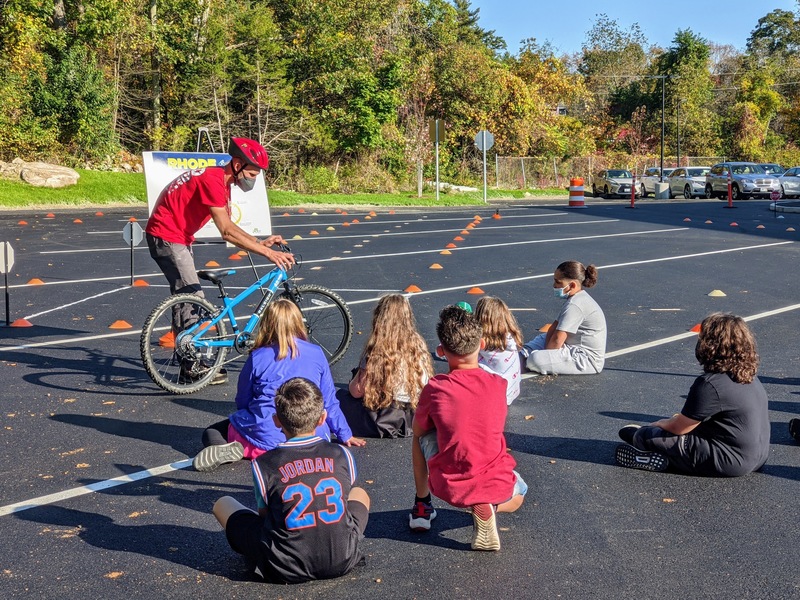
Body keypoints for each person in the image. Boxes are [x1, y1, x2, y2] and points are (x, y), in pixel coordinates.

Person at [145, 137, 294, 384]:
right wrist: (268, 253)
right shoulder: (214, 181)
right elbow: (225, 231)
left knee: (186, 297)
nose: (253, 179)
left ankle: (188, 361)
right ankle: (192, 366)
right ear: (236, 164)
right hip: (167, 235)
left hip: (177, 236)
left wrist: (259, 242)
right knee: (192, 297)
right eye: (252, 173)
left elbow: (231, 226)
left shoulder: (220, 181)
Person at [212, 377, 370, 583]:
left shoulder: (264, 463)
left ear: (276, 420)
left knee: (223, 503)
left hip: (284, 566)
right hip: (342, 558)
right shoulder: (341, 453)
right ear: (322, 418)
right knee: (360, 493)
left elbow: (265, 514)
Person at [193, 299, 365, 472]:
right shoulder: (316, 353)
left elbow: (243, 398)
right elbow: (328, 400)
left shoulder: (257, 356)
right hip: (312, 434)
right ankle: (298, 450)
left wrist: (248, 416)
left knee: (213, 431)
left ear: (267, 324)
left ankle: (234, 448)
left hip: (265, 434)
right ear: (298, 322)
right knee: (314, 426)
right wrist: (345, 434)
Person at [409, 305, 527, 551]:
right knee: (519, 494)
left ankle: (422, 504)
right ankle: (489, 507)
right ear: (482, 344)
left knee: (420, 437)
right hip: (496, 479)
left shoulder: (436, 387)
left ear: (441, 351)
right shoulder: (498, 384)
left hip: (451, 482)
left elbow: (418, 429)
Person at [615, 313, 770, 476]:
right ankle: (675, 459)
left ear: (710, 346)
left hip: (731, 462)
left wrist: (660, 424)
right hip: (758, 457)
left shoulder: (710, 384)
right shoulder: (749, 377)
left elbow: (679, 428)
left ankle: (654, 457)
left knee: (645, 436)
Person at [342, 294, 434, 438]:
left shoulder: (378, 347)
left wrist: (355, 379)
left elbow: (357, 391)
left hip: (387, 417)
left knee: (342, 399)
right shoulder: (418, 343)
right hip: (415, 414)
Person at [520, 260, 606, 375]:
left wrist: (546, 355)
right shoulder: (574, 299)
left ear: (572, 285)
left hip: (586, 360)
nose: (554, 285)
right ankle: (520, 355)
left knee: (536, 359)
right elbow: (553, 328)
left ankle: (522, 361)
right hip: (572, 347)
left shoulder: (575, 305)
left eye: (558, 282)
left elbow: (557, 339)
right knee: (542, 338)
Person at [474, 296, 523, 404]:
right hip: (510, 393)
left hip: (495, 395)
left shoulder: (483, 343)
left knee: (465, 362)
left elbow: (456, 350)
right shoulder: (509, 337)